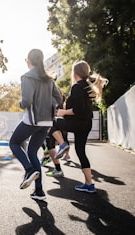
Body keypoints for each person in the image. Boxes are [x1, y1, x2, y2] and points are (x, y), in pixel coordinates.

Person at [9, 49, 62, 200]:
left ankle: (29, 169)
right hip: (47, 122)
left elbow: (26, 101)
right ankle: (39, 191)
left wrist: (20, 103)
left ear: (29, 60)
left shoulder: (27, 76)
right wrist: (48, 106)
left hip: (32, 120)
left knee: (14, 143)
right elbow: (59, 99)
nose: (26, 62)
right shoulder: (49, 79)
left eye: (26, 59)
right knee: (32, 152)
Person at [50, 60, 108, 193]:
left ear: (75, 73)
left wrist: (63, 112)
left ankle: (63, 144)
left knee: (52, 123)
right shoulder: (86, 86)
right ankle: (89, 184)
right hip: (86, 123)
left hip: (79, 123)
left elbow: (78, 109)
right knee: (80, 152)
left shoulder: (77, 87)